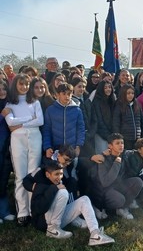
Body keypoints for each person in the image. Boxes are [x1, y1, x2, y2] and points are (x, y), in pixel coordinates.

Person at [23, 160, 115, 246]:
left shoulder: (59, 182)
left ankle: (95, 234)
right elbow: (38, 209)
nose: (59, 177)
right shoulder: (39, 184)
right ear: (47, 174)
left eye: (61, 174)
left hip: (57, 219)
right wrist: (53, 189)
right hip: (43, 223)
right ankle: (53, 230)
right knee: (63, 192)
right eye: (56, 174)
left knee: (84, 199)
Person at [5, 73, 44, 226]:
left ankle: (33, 209)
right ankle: (22, 212)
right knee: (20, 175)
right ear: (15, 85)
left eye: (26, 85)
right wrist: (29, 119)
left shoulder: (34, 102)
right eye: (21, 84)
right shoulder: (10, 104)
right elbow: (10, 122)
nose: (24, 87)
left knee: (33, 173)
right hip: (17, 140)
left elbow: (40, 120)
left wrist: (20, 123)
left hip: (34, 138)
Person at [88, 133, 143, 220]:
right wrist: (117, 163)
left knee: (138, 181)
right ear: (110, 146)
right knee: (119, 200)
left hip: (118, 186)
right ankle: (104, 208)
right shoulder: (103, 158)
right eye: (117, 143)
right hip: (104, 190)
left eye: (122, 143)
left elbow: (134, 152)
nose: (121, 145)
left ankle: (122, 209)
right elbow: (105, 182)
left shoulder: (123, 154)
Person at [42, 83, 85, 160]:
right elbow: (46, 130)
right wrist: (47, 147)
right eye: (64, 94)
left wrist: (79, 145)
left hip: (72, 148)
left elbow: (80, 129)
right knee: (58, 169)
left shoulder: (77, 110)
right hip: (56, 149)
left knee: (72, 170)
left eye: (69, 94)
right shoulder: (50, 110)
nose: (67, 96)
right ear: (58, 94)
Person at [113, 84, 143, 150]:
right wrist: (118, 137)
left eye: (132, 93)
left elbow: (142, 121)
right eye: (128, 93)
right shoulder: (119, 105)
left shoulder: (137, 104)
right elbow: (116, 122)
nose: (131, 95)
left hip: (137, 138)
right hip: (125, 138)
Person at [0, 80, 15, 223]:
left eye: (4, 89)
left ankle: (4, 212)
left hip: (7, 148)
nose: (2, 92)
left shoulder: (10, 104)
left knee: (3, 180)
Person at [91, 80, 116, 154]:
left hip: (111, 134)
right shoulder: (96, 102)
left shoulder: (112, 101)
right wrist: (107, 135)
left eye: (109, 87)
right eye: (105, 88)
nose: (108, 89)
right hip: (100, 134)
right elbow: (99, 120)